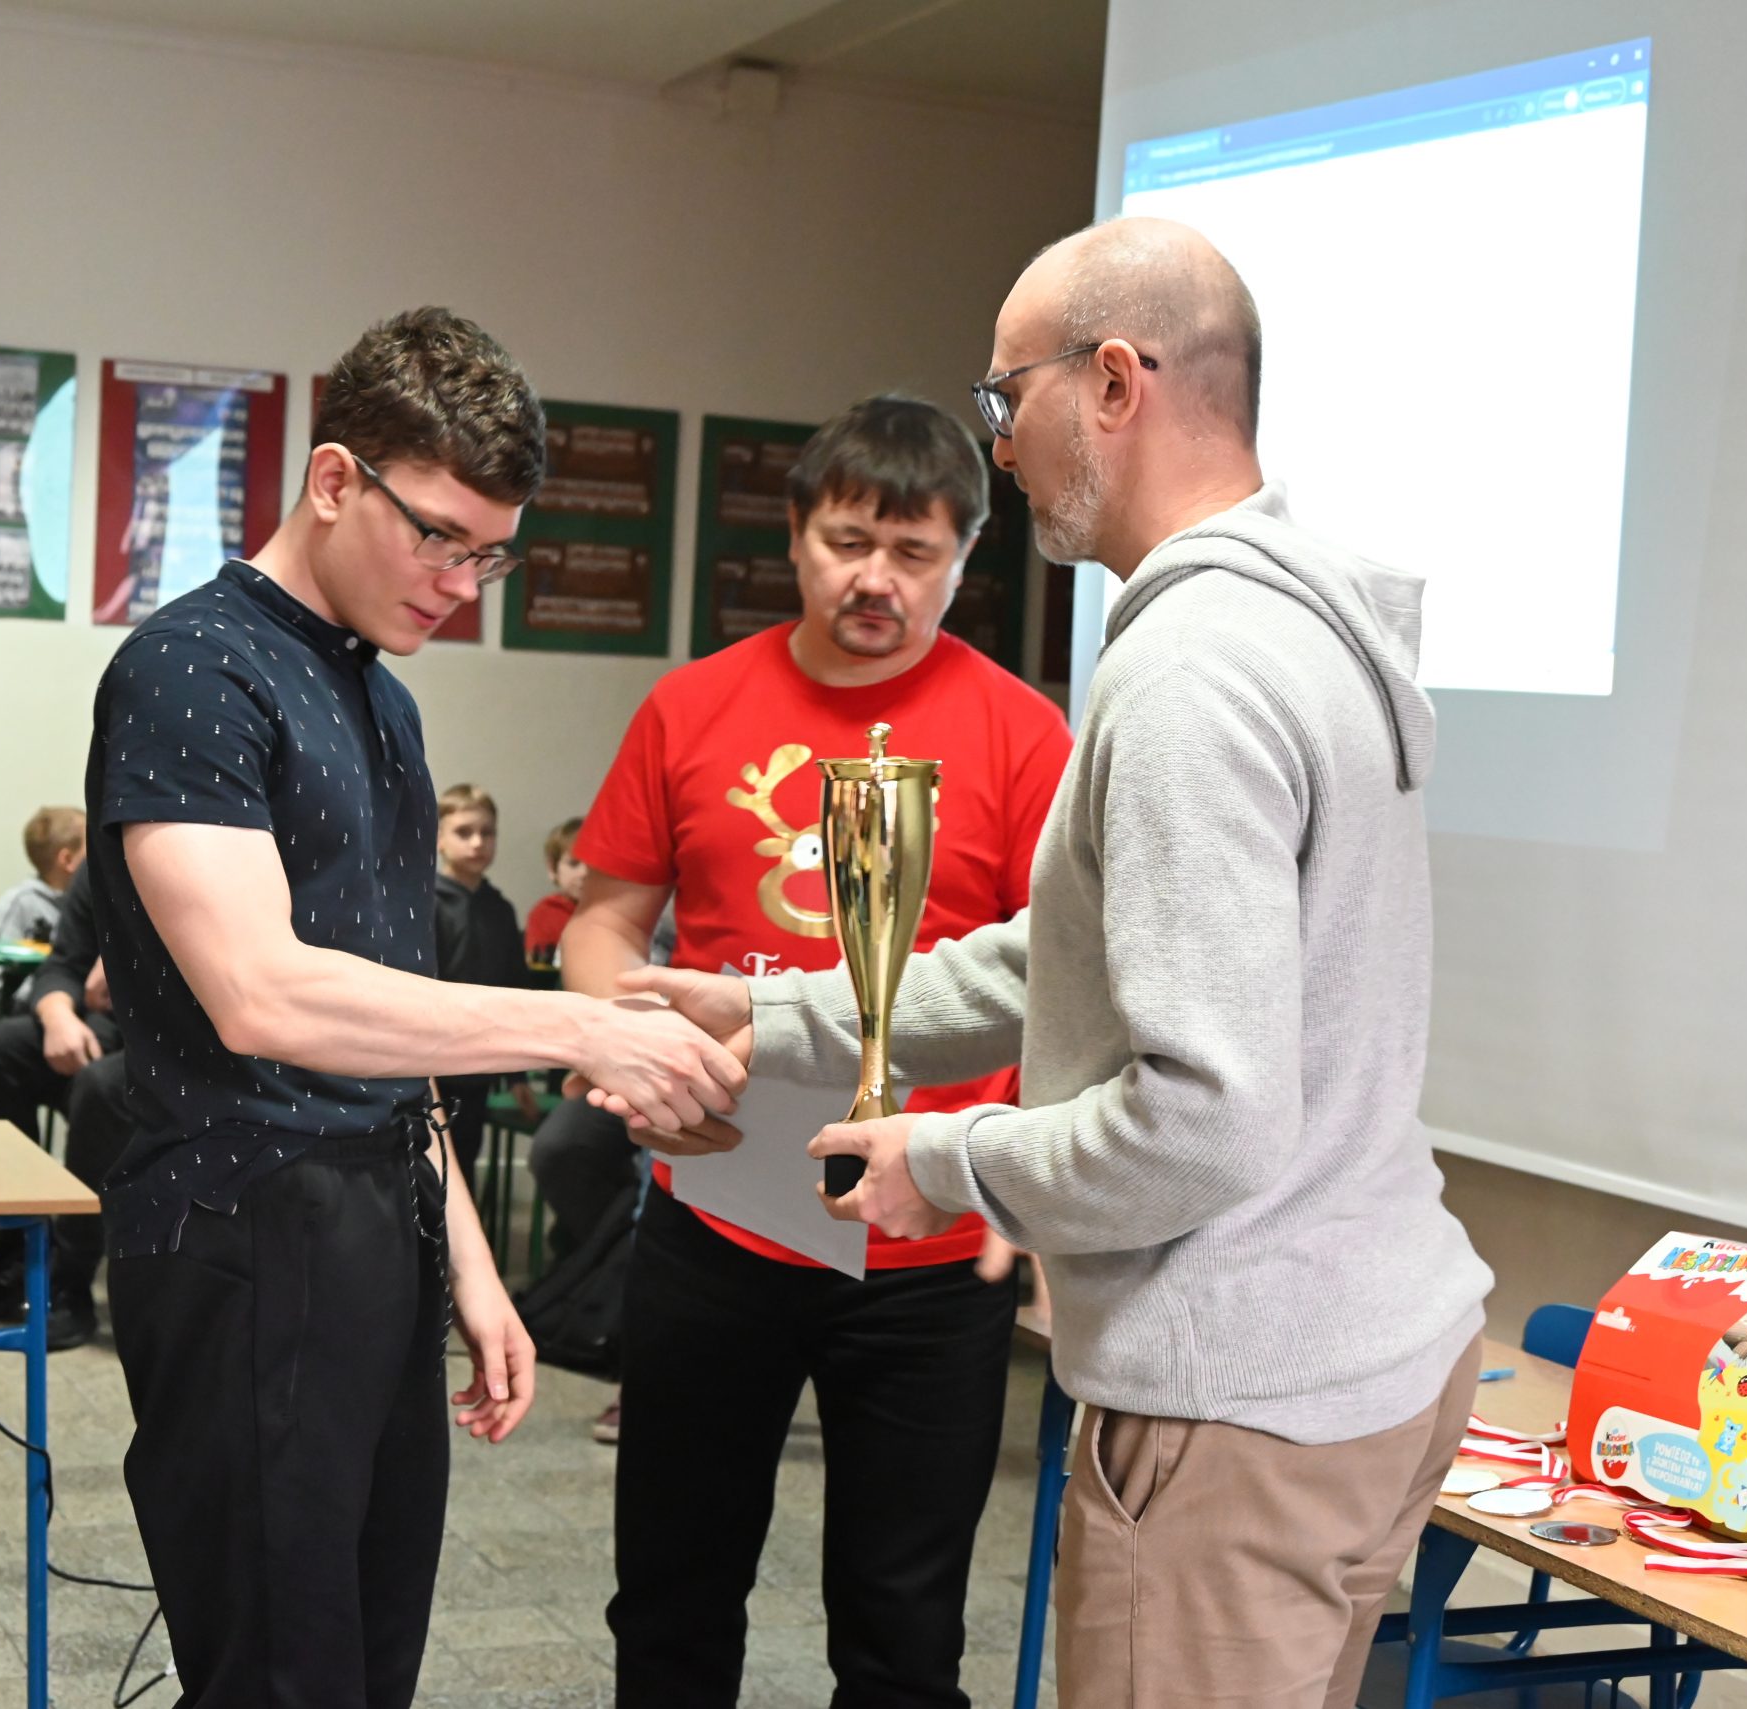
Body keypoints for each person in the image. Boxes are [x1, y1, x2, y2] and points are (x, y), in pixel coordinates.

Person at [617, 218, 1496, 1709]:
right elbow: (1066, 957)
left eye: (1005, 395)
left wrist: (949, 1160)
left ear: (1113, 382)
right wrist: (775, 1011)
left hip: (1239, 1391)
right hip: (1363, 1355)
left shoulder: (1189, 672)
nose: (1001, 443)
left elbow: (1205, 1117)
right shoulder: (1287, 621)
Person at [86, 306, 743, 1709]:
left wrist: (472, 1267)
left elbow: (394, 1013)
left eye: (489, 554)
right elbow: (262, 992)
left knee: (370, 1663)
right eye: (439, 537)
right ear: (334, 479)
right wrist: (580, 1024)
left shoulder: (383, 702)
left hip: (379, 1221)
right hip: (242, 1224)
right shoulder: (191, 670)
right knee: (280, 1675)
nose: (461, 584)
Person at [560, 393, 1071, 1707]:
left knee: (904, 1633)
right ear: (794, 533)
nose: (875, 579)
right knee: (671, 1599)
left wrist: (1033, 1178)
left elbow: (1073, 982)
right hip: (717, 1213)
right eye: (848, 542)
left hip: (932, 1240)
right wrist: (625, 1044)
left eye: (913, 553)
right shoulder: (692, 706)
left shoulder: (1025, 735)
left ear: (965, 556)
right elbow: (603, 920)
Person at [0, 862, 126, 1349]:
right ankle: (17, 1253)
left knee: (100, 1088)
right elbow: (65, 964)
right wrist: (57, 1016)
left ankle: (67, 1280)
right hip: (106, 1028)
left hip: (182, 1042)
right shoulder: (104, 863)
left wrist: (134, 964)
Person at [433, 782, 530, 1183]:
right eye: (463, 832)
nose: (477, 842)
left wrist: (518, 1074)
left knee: (465, 1157)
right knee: (427, 1164)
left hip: (477, 1061)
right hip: (428, 1060)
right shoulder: (425, 901)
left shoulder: (500, 910)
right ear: (439, 838)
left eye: (487, 833)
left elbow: (515, 987)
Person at [0, 804, 83, 1015]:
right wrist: (44, 999)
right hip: (29, 1015)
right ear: (67, 859)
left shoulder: (85, 905)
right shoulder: (19, 904)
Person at [524, 815, 587, 969]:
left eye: (593, 864)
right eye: (573, 863)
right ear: (553, 868)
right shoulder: (544, 915)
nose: (584, 873)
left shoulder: (614, 913)